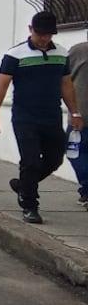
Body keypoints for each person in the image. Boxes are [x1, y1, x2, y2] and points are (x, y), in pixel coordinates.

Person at [0, 11, 83, 224]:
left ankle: (24, 185)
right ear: (31, 29)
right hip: (25, 117)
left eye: (48, 34)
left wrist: (75, 112)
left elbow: (66, 85)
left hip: (52, 116)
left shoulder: (62, 54)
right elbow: (1, 86)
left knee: (55, 159)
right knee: (30, 160)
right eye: (40, 34)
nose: (44, 38)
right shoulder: (15, 55)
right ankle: (29, 205)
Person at [66, 34, 88, 208]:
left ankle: (87, 188)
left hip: (80, 113)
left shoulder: (79, 50)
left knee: (75, 152)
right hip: (80, 113)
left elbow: (65, 78)